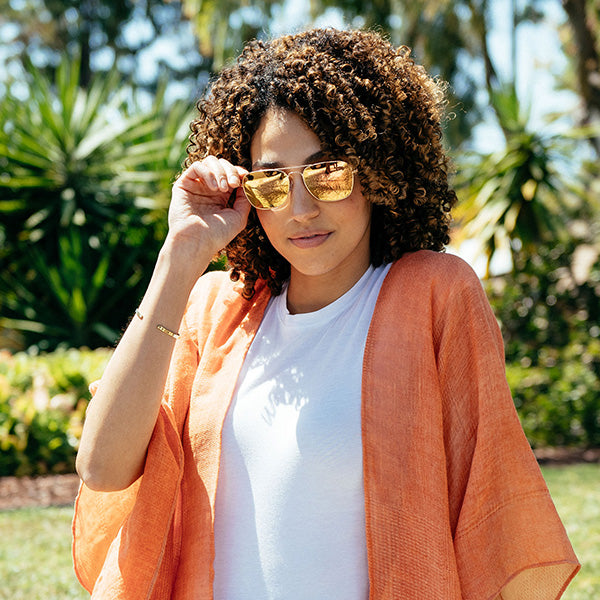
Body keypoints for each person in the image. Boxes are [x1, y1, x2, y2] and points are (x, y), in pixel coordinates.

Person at [73, 27, 579, 599]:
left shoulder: (436, 294)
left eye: (328, 172)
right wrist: (180, 255)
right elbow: (102, 467)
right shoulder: (215, 310)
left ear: (376, 169)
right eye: (271, 183)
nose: (301, 208)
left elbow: (489, 506)